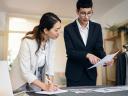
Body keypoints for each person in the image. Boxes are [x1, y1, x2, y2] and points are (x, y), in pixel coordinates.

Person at [64, 0, 113, 87]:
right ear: (77, 11)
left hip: (90, 74)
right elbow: (70, 52)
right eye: (83, 13)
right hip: (74, 75)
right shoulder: (68, 29)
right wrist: (87, 55)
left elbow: (99, 49)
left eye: (89, 13)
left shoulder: (97, 27)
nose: (86, 17)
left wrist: (106, 60)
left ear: (92, 11)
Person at [10, 12, 61, 92]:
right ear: (46, 30)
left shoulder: (52, 41)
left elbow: (50, 65)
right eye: (56, 30)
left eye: (59, 29)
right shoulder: (27, 42)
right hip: (20, 81)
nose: (59, 33)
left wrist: (50, 83)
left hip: (36, 81)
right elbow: (26, 72)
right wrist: (45, 86)